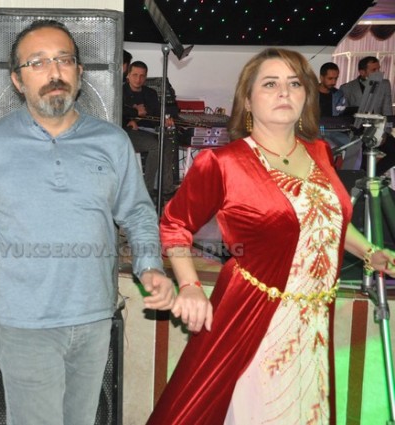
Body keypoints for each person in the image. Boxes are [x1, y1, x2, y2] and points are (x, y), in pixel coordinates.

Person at [0, 19, 175, 425]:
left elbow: (138, 211)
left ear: (79, 72)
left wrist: (150, 266)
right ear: (17, 80)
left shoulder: (112, 141)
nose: (54, 72)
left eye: (64, 60)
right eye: (37, 62)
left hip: (94, 319)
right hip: (23, 325)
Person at [147, 48, 395, 425]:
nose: (284, 92)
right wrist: (190, 285)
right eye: (270, 84)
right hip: (252, 315)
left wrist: (369, 251)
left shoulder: (320, 153)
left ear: (306, 96)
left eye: (294, 83)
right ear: (247, 100)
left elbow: (325, 217)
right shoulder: (223, 163)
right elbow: (174, 225)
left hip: (313, 316)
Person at [123, 60, 177, 200]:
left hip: (148, 130)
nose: (138, 79)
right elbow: (116, 113)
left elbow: (158, 113)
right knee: (155, 146)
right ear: (128, 75)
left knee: (168, 141)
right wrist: (131, 118)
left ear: (146, 77)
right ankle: (147, 190)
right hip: (128, 133)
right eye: (135, 75)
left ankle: (166, 189)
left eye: (142, 76)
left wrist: (166, 119)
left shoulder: (150, 93)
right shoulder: (120, 92)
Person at [340, 56, 395, 176]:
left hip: (380, 130)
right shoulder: (347, 88)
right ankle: (363, 178)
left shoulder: (385, 84)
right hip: (358, 133)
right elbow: (345, 114)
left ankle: (373, 175)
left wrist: (385, 132)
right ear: (362, 72)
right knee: (361, 161)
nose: (378, 72)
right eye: (374, 70)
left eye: (379, 69)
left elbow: (387, 110)